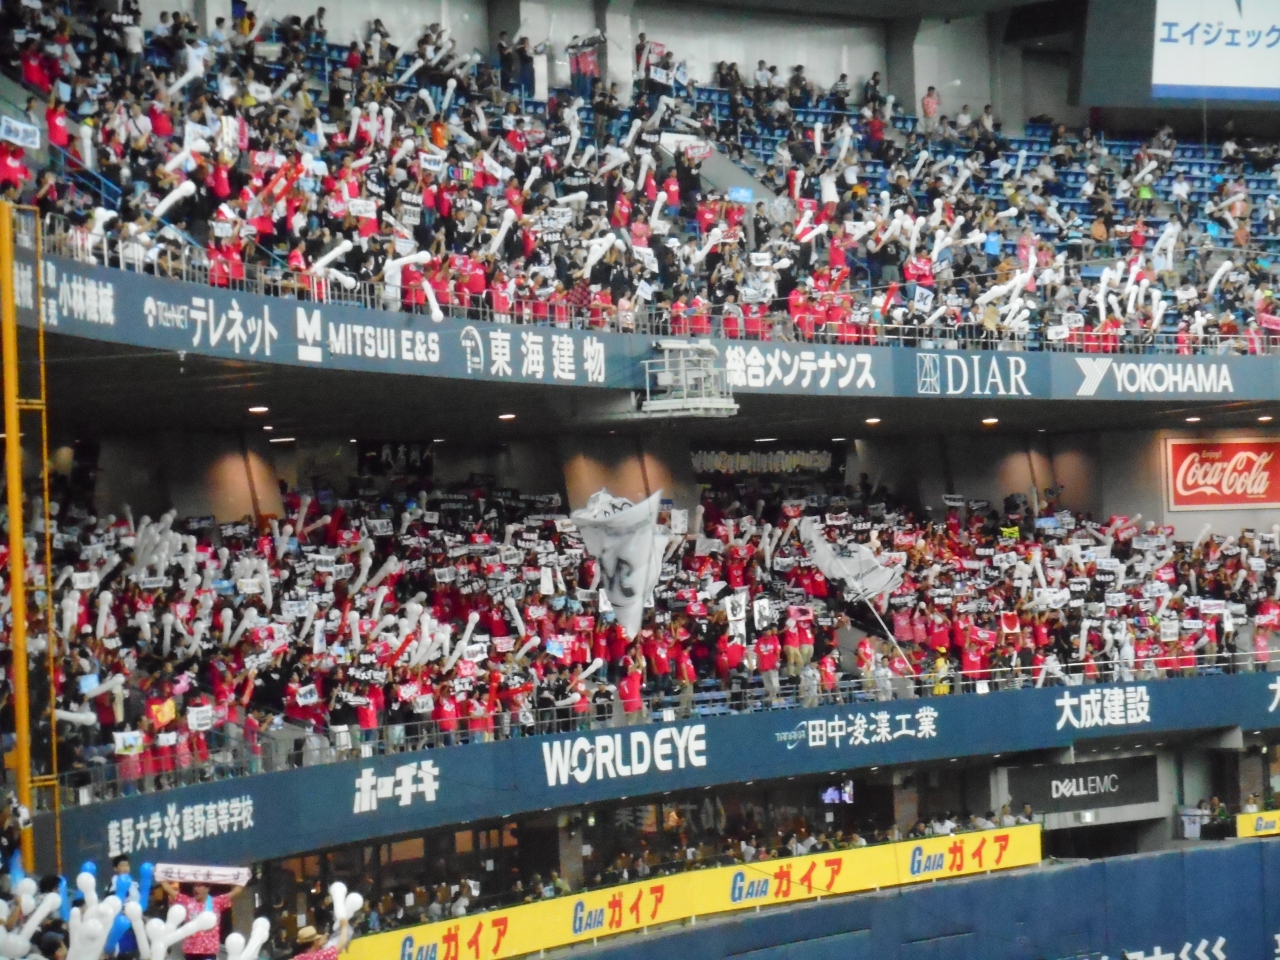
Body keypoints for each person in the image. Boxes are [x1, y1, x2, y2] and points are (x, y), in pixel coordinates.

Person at [160, 878, 245, 960]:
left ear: (207, 888)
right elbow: (170, 890)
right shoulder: (187, 902)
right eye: (195, 886)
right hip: (190, 950)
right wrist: (161, 875)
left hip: (209, 950)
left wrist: (243, 877)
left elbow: (236, 891)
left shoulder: (216, 902)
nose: (196, 889)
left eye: (199, 886)